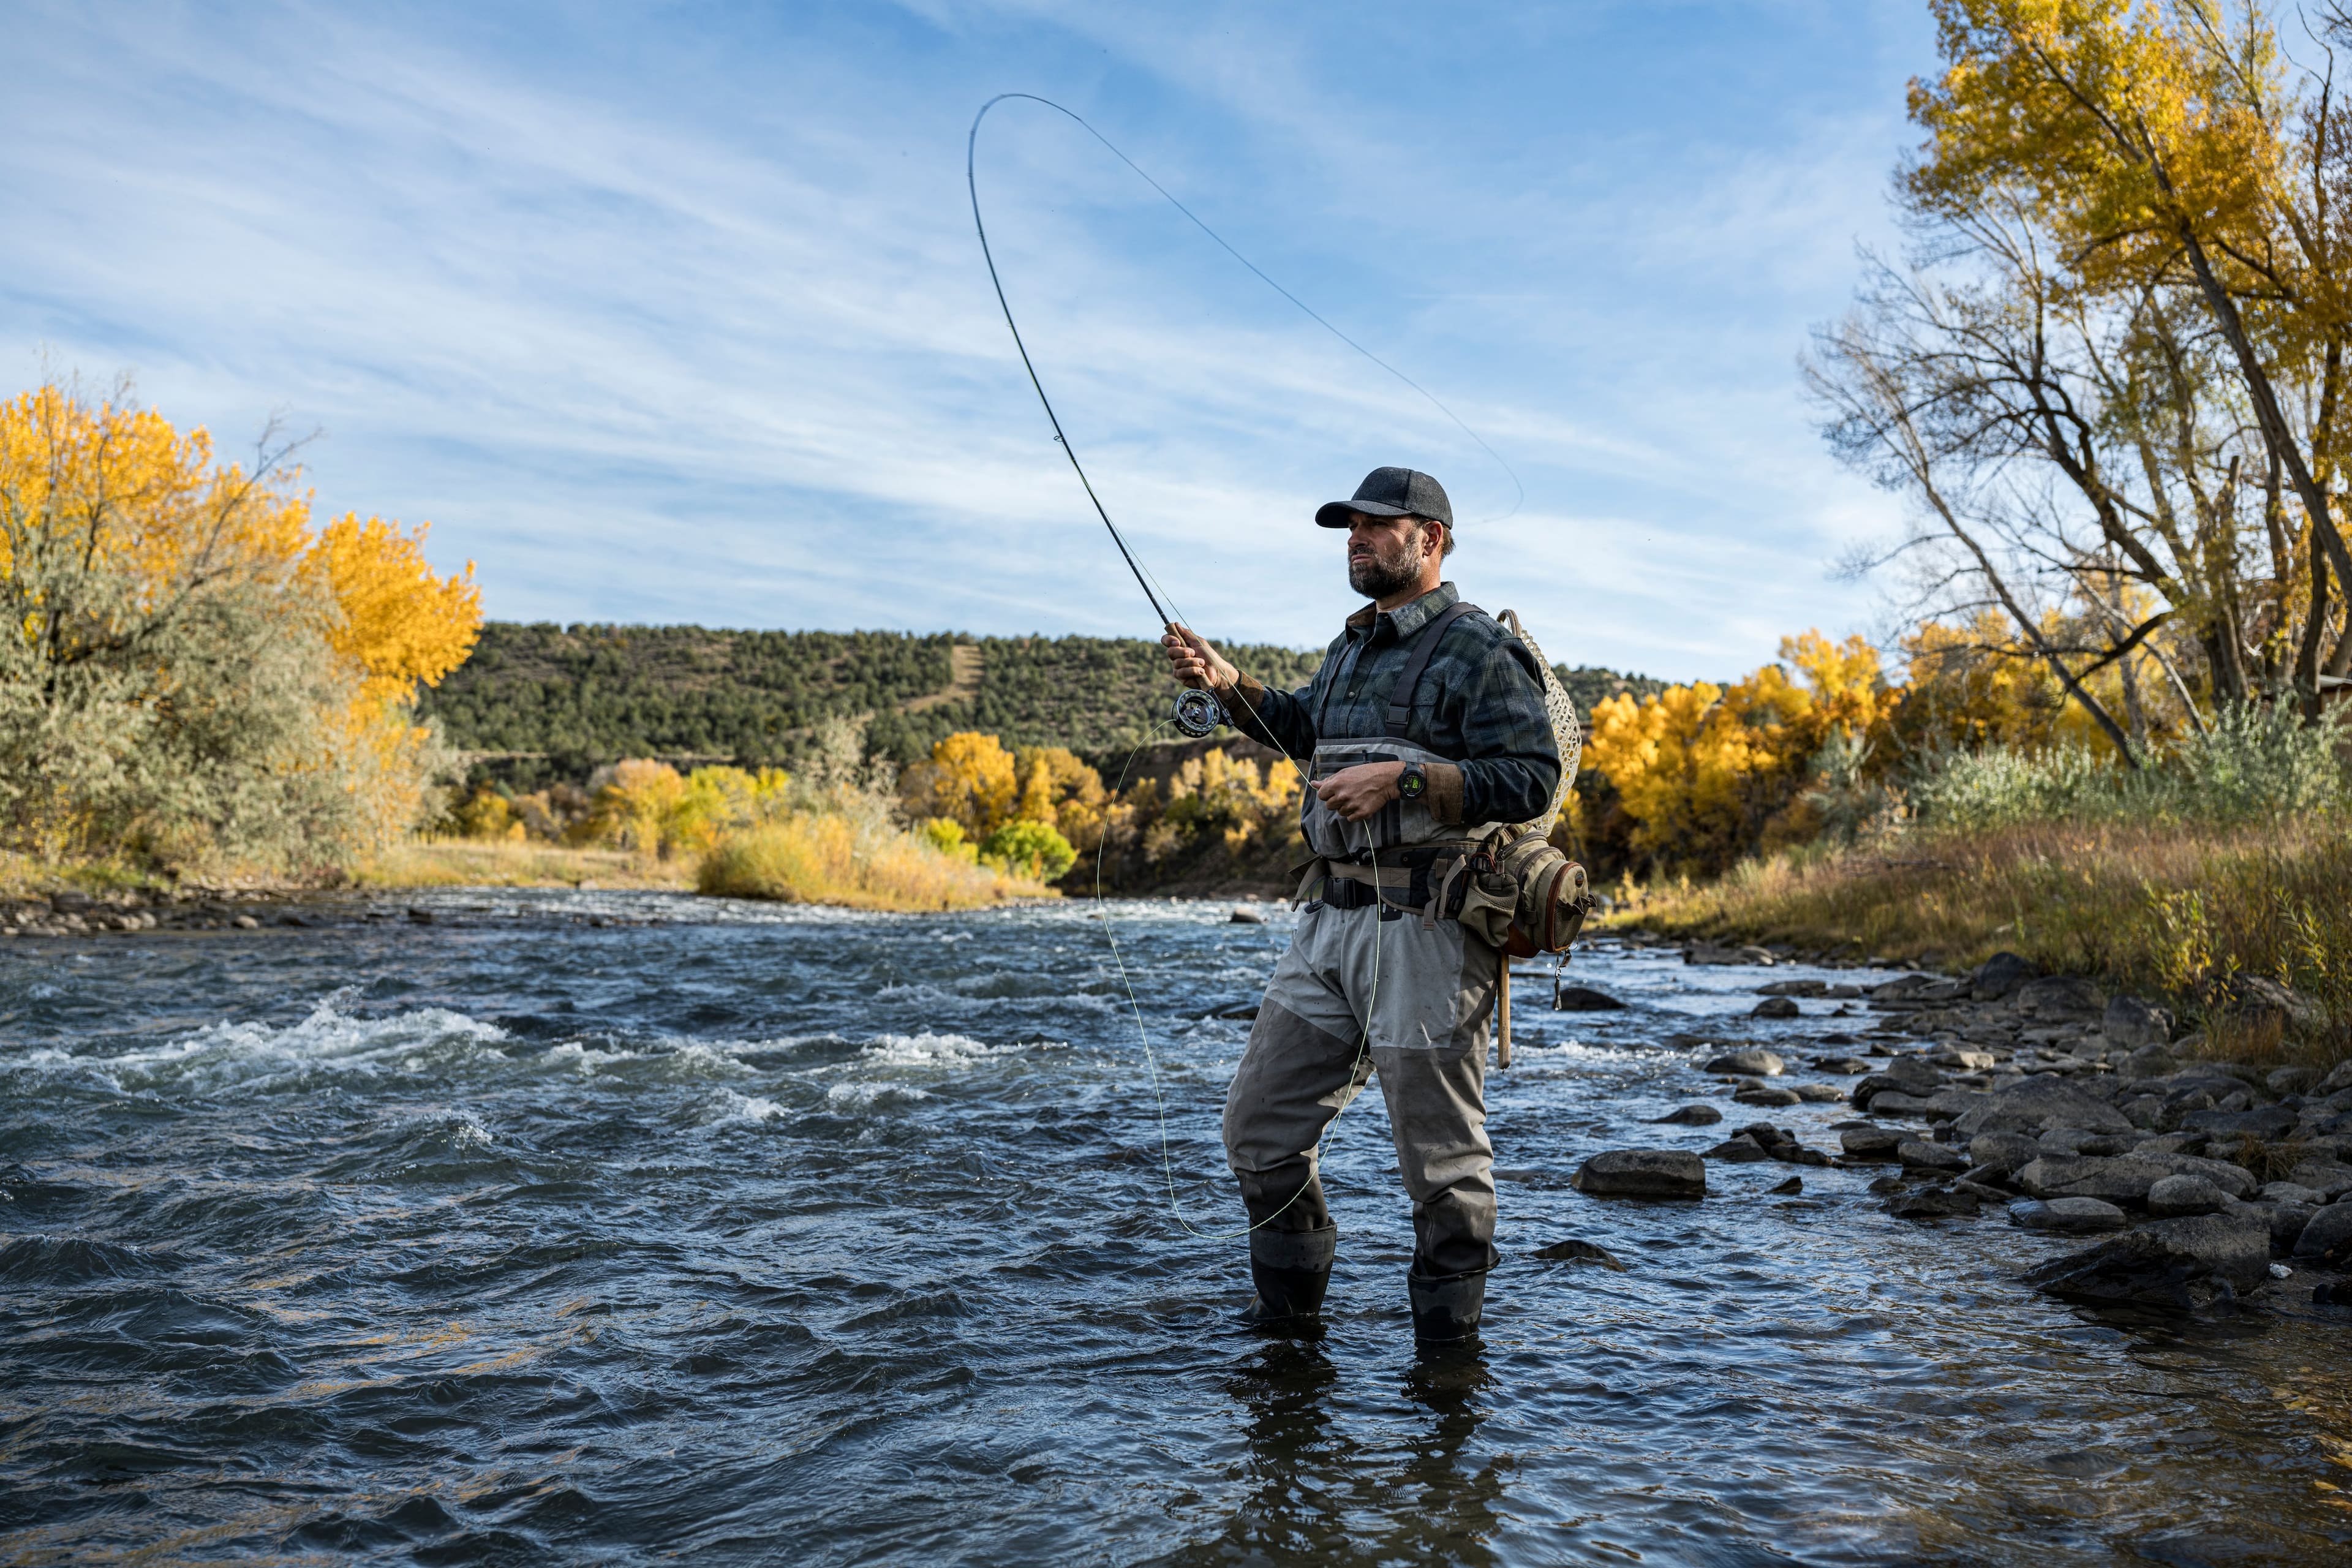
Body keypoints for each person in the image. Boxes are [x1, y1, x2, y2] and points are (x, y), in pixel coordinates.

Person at [1161, 466, 1560, 1343]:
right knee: (1257, 1129)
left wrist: (1408, 778)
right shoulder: (1348, 648)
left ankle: (1448, 1375)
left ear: (1433, 540)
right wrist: (1229, 686)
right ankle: (1288, 1340)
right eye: (1350, 526)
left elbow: (1534, 779)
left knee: (1442, 1167)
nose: (1358, 537)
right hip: (1328, 925)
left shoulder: (1477, 649)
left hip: (1428, 928)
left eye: (1379, 525)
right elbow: (1301, 730)